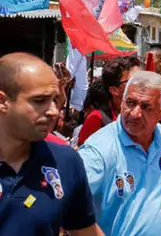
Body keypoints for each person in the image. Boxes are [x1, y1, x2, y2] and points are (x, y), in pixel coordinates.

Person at [0, 53, 100, 236]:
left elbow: (87, 231)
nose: (53, 111)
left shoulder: (65, 162)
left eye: (55, 100)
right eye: (39, 101)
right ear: (3, 101)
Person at [78, 71, 161, 236]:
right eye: (130, 103)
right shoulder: (98, 151)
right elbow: (72, 208)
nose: (135, 114)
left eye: (145, 107)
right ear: (121, 102)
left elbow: (147, 186)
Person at [77, 56, 140, 146]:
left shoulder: (145, 113)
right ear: (114, 90)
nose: (140, 84)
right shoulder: (97, 118)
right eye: (132, 81)